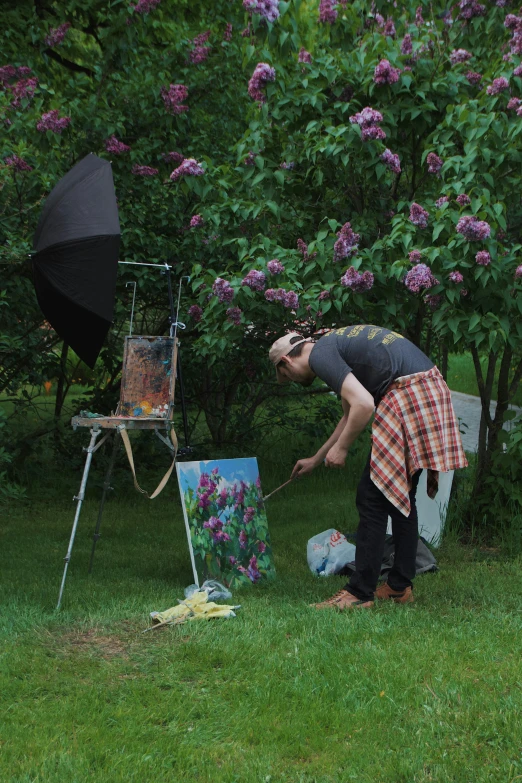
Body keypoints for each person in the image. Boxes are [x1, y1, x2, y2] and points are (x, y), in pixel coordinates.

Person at [268, 325, 468, 610]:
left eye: (286, 375)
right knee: (402, 496)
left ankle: (359, 593)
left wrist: (343, 448)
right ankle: (399, 586)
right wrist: (318, 456)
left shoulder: (320, 355)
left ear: (286, 361)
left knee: (370, 497)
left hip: (408, 395)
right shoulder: (332, 346)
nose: (291, 379)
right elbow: (351, 410)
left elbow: (364, 405)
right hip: (427, 391)